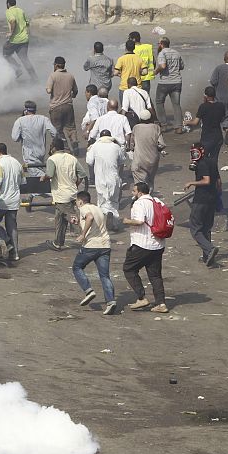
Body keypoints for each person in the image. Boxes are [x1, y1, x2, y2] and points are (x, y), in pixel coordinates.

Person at [121, 182, 168, 313]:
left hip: (142, 244)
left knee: (129, 269)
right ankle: (161, 304)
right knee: (155, 275)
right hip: (158, 244)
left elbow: (140, 221)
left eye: (134, 191)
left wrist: (126, 221)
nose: (132, 193)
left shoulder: (139, 203)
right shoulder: (157, 201)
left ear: (140, 193)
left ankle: (141, 297)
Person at [72, 190, 117, 315]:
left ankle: (88, 290)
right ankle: (111, 301)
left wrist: (82, 234)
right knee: (104, 275)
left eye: (76, 201)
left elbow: (90, 218)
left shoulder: (84, 208)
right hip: (105, 245)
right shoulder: (97, 208)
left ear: (80, 201)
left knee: (77, 267)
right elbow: (92, 221)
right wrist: (79, 223)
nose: (76, 204)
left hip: (92, 245)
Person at [41, 138, 89, 250]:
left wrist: (43, 178)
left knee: (73, 218)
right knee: (60, 218)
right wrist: (76, 184)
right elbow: (82, 174)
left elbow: (50, 174)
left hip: (61, 195)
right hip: (72, 193)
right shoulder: (71, 158)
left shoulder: (52, 159)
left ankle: (88, 239)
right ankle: (58, 242)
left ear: (53, 147)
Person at [183, 143, 221, 267]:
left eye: (195, 152)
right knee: (206, 228)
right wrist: (218, 197)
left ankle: (209, 249)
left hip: (201, 200)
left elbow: (206, 180)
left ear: (202, 151)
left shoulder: (203, 163)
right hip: (212, 199)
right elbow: (218, 181)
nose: (194, 155)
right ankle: (207, 256)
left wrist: (191, 183)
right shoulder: (212, 162)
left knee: (195, 228)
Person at [87, 130, 126, 230]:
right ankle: (113, 219)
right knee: (114, 201)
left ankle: (102, 222)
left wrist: (89, 151)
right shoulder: (116, 147)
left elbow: (89, 162)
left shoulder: (95, 146)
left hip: (100, 178)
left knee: (102, 201)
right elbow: (122, 160)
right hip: (113, 177)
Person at [0, 142, 23, 262]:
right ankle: (15, 254)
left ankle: (7, 241)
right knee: (12, 227)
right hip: (14, 201)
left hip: (1, 201)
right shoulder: (17, 163)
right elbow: (22, 181)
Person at [11, 99, 57, 177]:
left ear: (25, 110)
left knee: (37, 174)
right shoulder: (43, 119)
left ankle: (50, 181)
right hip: (41, 153)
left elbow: (15, 138)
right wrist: (53, 143)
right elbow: (54, 133)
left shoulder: (20, 121)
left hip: (29, 154)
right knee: (39, 170)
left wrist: (22, 136)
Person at [184, 86, 226, 161]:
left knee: (203, 159)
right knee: (214, 160)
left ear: (206, 96)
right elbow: (222, 119)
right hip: (218, 137)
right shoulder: (221, 105)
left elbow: (195, 122)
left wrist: (186, 122)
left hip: (207, 137)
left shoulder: (203, 107)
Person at [46, 56, 78, 151]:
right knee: (71, 127)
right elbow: (75, 91)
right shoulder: (70, 76)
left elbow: (48, 90)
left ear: (56, 65)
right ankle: (74, 140)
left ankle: (65, 145)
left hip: (56, 107)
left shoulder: (53, 76)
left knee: (58, 129)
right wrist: (72, 95)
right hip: (68, 106)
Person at [154, 36, 185, 133]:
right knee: (176, 104)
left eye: (158, 44)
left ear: (162, 44)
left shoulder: (162, 53)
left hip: (165, 82)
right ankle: (179, 127)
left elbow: (162, 66)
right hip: (177, 82)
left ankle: (163, 125)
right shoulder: (176, 53)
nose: (158, 45)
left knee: (159, 102)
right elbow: (182, 66)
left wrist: (156, 71)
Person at [210, 51, 228, 149]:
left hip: (221, 97)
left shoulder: (219, 68)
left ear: (224, 58)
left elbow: (213, 81)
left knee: (224, 115)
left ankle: (227, 128)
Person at [130, 109, 165, 193]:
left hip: (139, 160)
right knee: (150, 180)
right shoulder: (156, 127)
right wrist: (156, 149)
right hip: (153, 160)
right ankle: (149, 196)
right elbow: (162, 144)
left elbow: (131, 145)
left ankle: (141, 199)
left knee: (139, 182)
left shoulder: (136, 128)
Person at [4, 0, 35, 80]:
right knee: (24, 59)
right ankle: (34, 78)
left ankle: (17, 69)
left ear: (8, 4)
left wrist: (11, 33)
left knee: (6, 54)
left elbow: (13, 20)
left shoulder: (9, 11)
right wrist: (27, 33)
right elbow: (27, 23)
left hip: (15, 40)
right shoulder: (21, 11)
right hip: (24, 39)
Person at [114, 39, 145, 104]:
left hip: (124, 87)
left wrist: (121, 75)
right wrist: (138, 73)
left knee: (125, 108)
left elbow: (115, 72)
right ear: (134, 47)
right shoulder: (139, 58)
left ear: (126, 48)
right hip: (137, 87)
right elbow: (145, 72)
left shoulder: (121, 59)